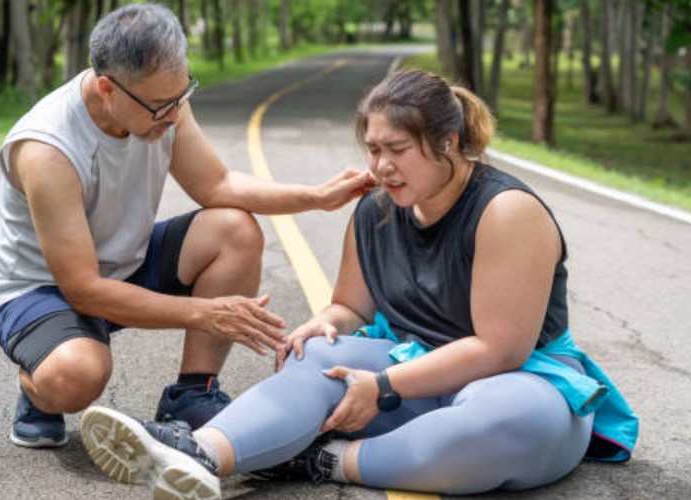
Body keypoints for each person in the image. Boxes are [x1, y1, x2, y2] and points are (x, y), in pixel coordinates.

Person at [78, 69, 639, 499]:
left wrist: (385, 386)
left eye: (398, 150)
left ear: (447, 142)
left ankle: (320, 460)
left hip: (517, 383)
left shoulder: (506, 211)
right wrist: (327, 324)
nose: (383, 166)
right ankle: (197, 454)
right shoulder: (374, 211)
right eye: (373, 150)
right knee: (318, 353)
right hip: (414, 372)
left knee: (505, 422)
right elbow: (349, 305)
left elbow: (500, 349)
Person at [0, 3, 374, 449]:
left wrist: (315, 198)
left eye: (181, 95)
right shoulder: (47, 149)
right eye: (161, 106)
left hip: (123, 260)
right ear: (107, 88)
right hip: (40, 290)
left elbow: (218, 185)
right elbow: (83, 289)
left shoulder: (162, 102)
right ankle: (38, 386)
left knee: (235, 229)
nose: (173, 114)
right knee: (79, 376)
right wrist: (209, 313)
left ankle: (192, 393)